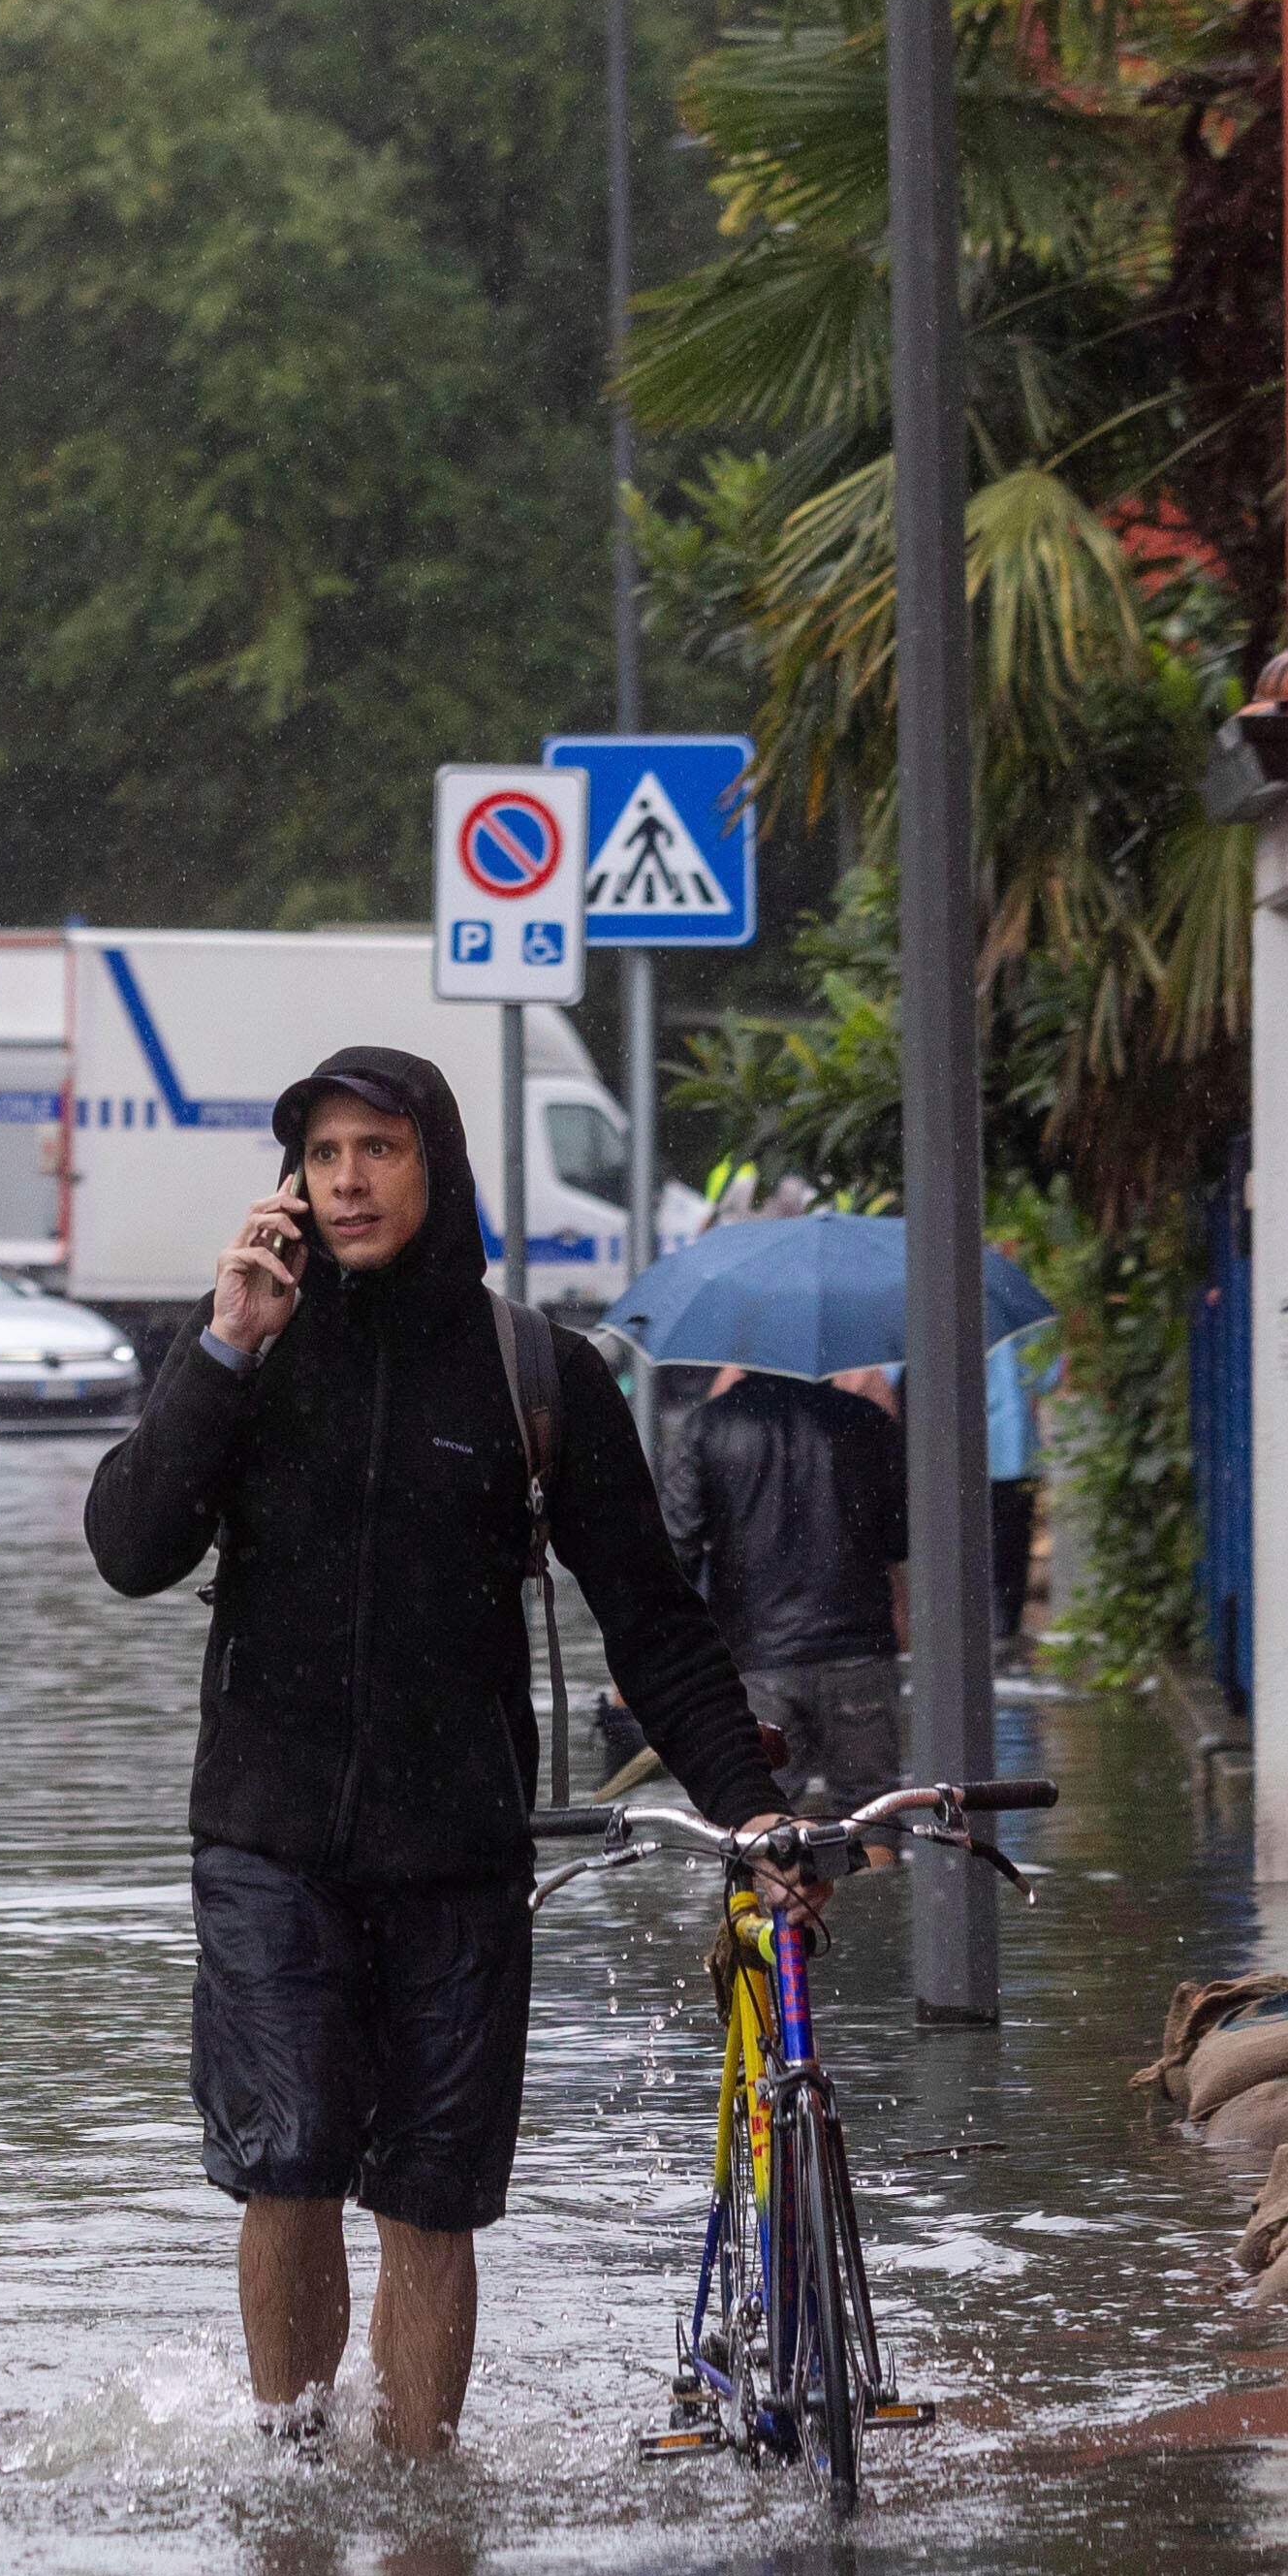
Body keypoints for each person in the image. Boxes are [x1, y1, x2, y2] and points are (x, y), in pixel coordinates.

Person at [84, 1046, 785, 2460]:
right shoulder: (248, 1351)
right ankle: (287, 2473)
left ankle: (418, 2506)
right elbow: (129, 1548)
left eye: (380, 1150)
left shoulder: (539, 1373)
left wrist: (756, 1816)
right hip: (267, 1841)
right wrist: (224, 1347)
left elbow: (653, 1622)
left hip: (461, 1853)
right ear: (292, 1180)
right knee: (285, 2167)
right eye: (325, 1154)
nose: (350, 1179)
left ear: (437, 1165)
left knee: (434, 2196)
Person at [656, 1354, 913, 1817]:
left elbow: (678, 1550)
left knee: (763, 1822)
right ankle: (877, 1889)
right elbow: (901, 1536)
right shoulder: (868, 1422)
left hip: (755, 1662)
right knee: (873, 1817)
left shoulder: (707, 1427)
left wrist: (664, 1659)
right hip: (858, 1653)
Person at [986, 1321, 1053, 1649]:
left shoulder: (944, 1309)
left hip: (968, 1452)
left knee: (974, 1543)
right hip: (1015, 1451)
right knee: (1012, 1547)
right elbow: (1049, 1375)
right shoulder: (1021, 1320)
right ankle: (1005, 1625)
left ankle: (979, 1621)